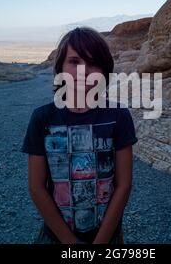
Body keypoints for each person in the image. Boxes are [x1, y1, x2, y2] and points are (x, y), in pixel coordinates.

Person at [20, 27, 138, 244]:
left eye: (93, 63)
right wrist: (71, 243)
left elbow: (124, 185)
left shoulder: (118, 116)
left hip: (107, 235)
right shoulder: (43, 118)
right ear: (60, 69)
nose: (83, 71)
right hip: (56, 236)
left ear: (104, 72)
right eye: (74, 62)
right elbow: (36, 187)